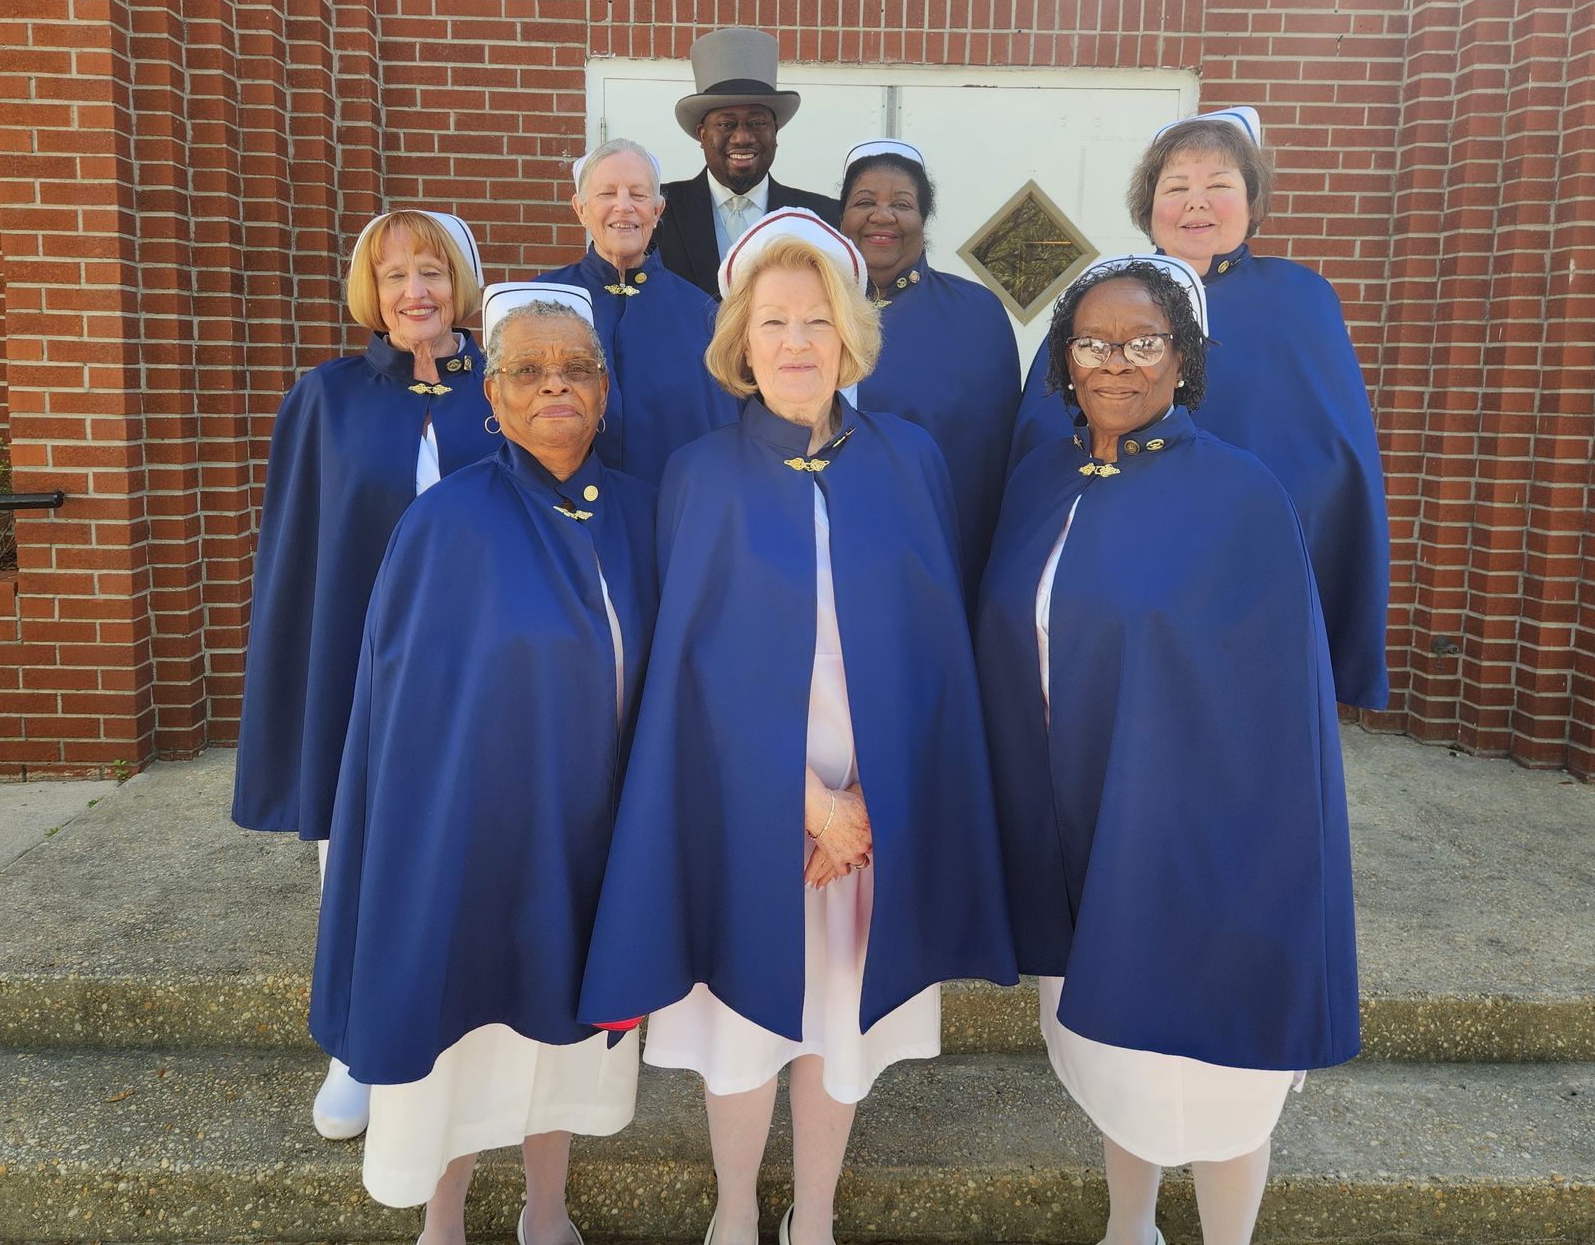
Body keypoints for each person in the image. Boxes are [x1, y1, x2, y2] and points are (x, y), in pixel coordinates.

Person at [580, 209, 1017, 1245]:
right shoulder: (696, 475)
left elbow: (928, 657)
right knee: (740, 1026)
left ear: (849, 337)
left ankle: (812, 1214)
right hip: (747, 808)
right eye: (773, 321)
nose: (794, 342)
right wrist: (798, 799)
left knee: (839, 1027)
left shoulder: (911, 461)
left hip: (873, 816)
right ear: (740, 339)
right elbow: (690, 671)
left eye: (816, 320)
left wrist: (870, 797)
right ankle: (735, 1210)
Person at [978, 256, 1359, 1245]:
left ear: (1185, 362)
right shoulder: (1040, 481)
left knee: (1214, 1075)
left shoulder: (1241, 495)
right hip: (1076, 834)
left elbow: (1278, 714)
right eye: (1092, 342)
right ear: (1064, 363)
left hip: (1200, 857)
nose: (1115, 363)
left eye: (1143, 341)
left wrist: (1242, 858)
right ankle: (1129, 1226)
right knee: (1118, 1064)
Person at [310, 281, 656, 1245]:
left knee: (564, 1044)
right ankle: (445, 1218)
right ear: (493, 396)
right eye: (530, 371)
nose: (557, 386)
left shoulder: (641, 513)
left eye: (577, 369)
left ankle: (547, 1210)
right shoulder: (446, 522)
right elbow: (406, 716)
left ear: (605, 388)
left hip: (592, 839)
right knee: (458, 1041)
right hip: (467, 845)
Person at [232, 208, 497, 1141]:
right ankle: (354, 1039)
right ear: (371, 294)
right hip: (359, 656)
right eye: (395, 277)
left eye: (432, 271)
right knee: (352, 849)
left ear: (462, 282)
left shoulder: (507, 386)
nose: (415, 292)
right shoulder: (326, 398)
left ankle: (468, 1015)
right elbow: (300, 550)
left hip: (479, 662)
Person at [1010, 106, 1391, 708]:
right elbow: (1047, 438)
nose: (1197, 203)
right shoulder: (1100, 295)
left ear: (1252, 201)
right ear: (1148, 204)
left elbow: (1336, 460)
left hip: (1246, 581)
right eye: (1176, 187)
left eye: (1219, 186)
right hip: (1114, 579)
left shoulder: (1302, 300)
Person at [836, 138, 1019, 580]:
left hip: (937, 557)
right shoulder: (807, 311)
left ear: (923, 219)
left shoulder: (977, 315)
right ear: (841, 217)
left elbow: (993, 465)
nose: (882, 216)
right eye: (865, 202)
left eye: (902, 203)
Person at [537, 139, 736, 485]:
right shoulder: (539, 303)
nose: (623, 206)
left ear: (658, 211)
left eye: (638, 194)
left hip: (668, 518)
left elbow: (725, 435)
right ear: (580, 208)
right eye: (607, 193)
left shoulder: (704, 314)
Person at [653, 27, 842, 297]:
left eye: (757, 123)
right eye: (726, 124)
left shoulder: (821, 218)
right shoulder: (656, 213)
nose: (742, 137)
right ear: (702, 135)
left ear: (775, 131)